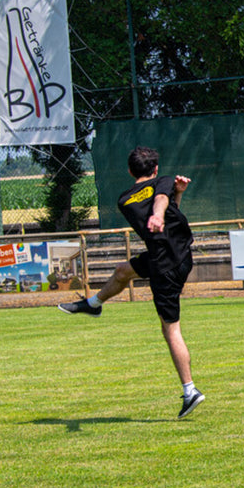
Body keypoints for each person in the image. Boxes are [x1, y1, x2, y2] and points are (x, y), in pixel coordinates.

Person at [59, 146, 205, 419]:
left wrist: (160, 212)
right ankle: (94, 304)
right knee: (122, 271)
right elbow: (162, 200)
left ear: (129, 171)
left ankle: (190, 391)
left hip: (165, 266)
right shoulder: (164, 181)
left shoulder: (125, 200)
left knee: (170, 329)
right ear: (156, 169)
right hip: (177, 256)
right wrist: (174, 197)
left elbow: (160, 203)